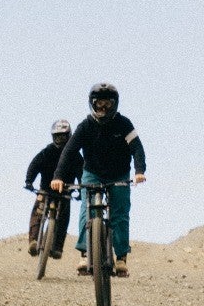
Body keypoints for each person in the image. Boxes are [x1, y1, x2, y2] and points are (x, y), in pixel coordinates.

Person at [51, 83, 146, 276]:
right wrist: (58, 176)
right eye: (99, 104)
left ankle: (121, 258)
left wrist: (139, 171)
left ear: (115, 104)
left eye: (108, 104)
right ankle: (85, 253)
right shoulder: (85, 126)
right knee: (86, 209)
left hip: (119, 174)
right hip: (92, 173)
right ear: (92, 104)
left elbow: (137, 147)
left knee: (120, 213)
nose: (103, 108)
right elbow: (69, 151)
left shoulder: (124, 124)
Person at [23, 119, 73, 257]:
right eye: (57, 136)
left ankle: (57, 247)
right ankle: (33, 241)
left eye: (63, 136)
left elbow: (81, 172)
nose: (60, 139)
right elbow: (34, 165)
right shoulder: (47, 151)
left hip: (65, 192)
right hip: (45, 190)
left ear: (69, 136)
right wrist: (29, 181)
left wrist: (81, 189)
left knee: (64, 217)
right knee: (37, 212)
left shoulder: (74, 154)